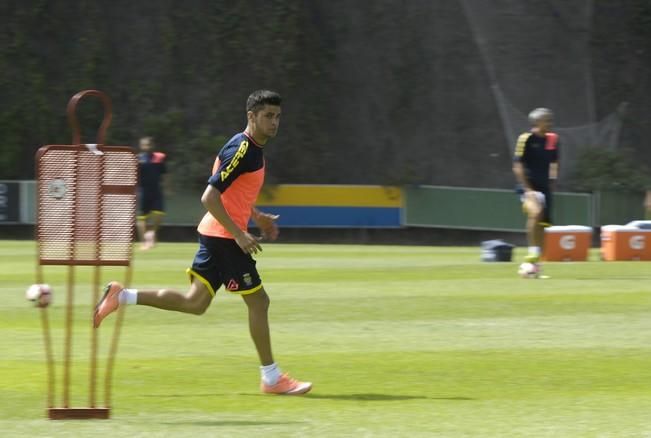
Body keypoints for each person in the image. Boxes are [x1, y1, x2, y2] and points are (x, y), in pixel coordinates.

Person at [94, 90, 312, 395]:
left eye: (277, 117)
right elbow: (209, 197)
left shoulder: (250, 148)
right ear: (252, 116)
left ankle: (122, 296)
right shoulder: (243, 150)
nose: (274, 122)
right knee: (259, 302)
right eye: (268, 116)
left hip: (216, 234)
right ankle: (272, 378)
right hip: (225, 238)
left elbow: (232, 193)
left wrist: (257, 215)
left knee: (195, 303)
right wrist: (239, 234)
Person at [512, 107, 560, 268]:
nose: (550, 123)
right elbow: (517, 166)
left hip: (545, 187)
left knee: (542, 225)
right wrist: (528, 189)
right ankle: (532, 252)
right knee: (536, 212)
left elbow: (554, 162)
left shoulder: (552, 139)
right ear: (537, 122)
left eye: (551, 120)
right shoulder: (526, 138)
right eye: (547, 120)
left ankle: (535, 263)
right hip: (529, 186)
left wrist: (553, 181)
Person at [137, 136, 166, 250]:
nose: (147, 147)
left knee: (159, 214)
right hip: (143, 191)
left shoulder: (159, 158)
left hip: (156, 190)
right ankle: (144, 242)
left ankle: (151, 233)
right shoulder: (138, 159)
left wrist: (168, 187)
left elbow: (165, 174)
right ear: (141, 146)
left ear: (152, 145)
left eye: (149, 144)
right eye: (145, 145)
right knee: (142, 218)